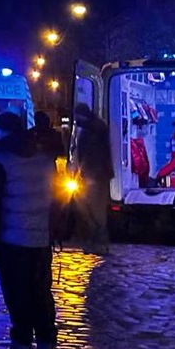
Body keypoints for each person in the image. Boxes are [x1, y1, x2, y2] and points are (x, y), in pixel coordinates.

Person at [0, 111, 58, 349]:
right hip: (41, 239)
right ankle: (46, 348)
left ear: (1, 132)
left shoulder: (0, 161)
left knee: (18, 297)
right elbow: (55, 196)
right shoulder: (45, 159)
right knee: (41, 294)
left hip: (12, 240)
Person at [72, 102, 113, 255]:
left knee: (94, 209)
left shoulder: (92, 130)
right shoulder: (95, 127)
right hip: (95, 174)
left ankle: (99, 242)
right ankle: (97, 241)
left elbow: (91, 154)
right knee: (91, 208)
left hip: (94, 175)